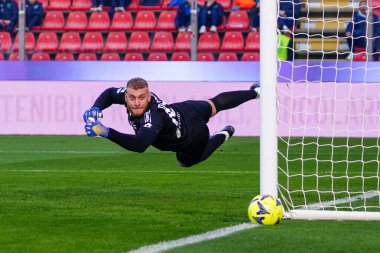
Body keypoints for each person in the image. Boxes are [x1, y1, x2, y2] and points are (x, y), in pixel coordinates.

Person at [83, 78, 260, 167]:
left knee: (184, 160)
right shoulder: (128, 95)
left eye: (142, 98)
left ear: (149, 97)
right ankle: (255, 92)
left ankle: (222, 135)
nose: (137, 102)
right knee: (214, 104)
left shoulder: (153, 117)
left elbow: (140, 144)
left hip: (194, 135)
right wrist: (96, 108)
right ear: (126, 96)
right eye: (132, 98)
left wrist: (105, 132)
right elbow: (109, 93)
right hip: (185, 110)